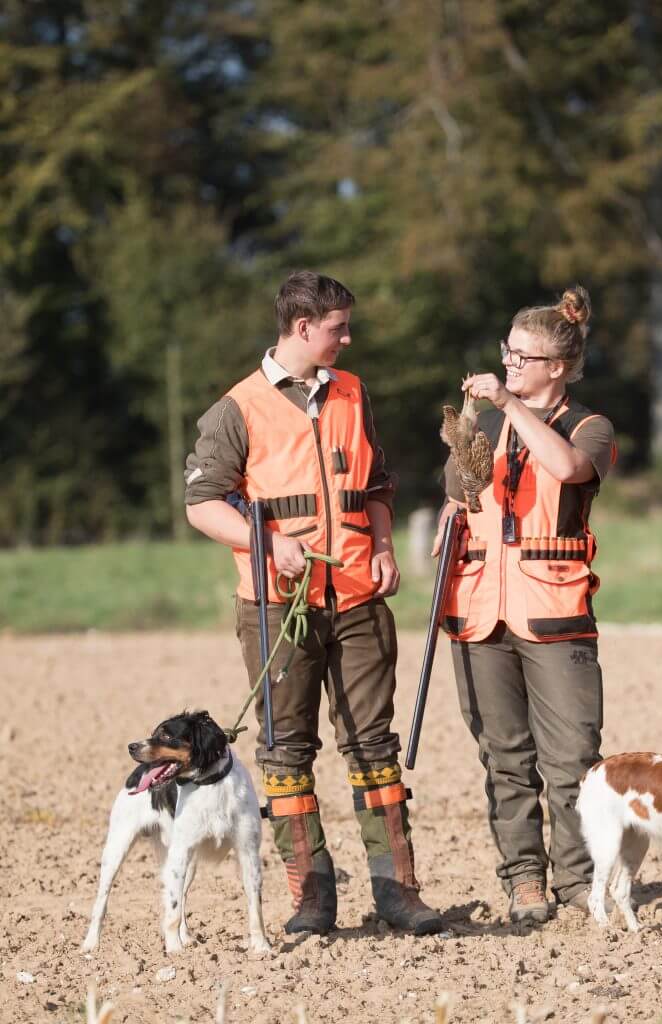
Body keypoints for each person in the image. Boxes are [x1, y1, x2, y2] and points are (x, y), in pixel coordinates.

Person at [184, 270, 442, 936]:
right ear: (303, 328)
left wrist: (383, 547)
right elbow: (202, 505)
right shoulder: (236, 408)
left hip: (358, 596)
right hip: (279, 607)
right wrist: (266, 545)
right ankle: (312, 898)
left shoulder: (353, 393)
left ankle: (397, 891)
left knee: (373, 745)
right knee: (286, 751)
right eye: (338, 328)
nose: (348, 338)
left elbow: (377, 484)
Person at [433, 286, 615, 924]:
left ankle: (578, 881)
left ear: (556, 368)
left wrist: (509, 403)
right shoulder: (483, 424)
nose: (507, 365)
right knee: (505, 759)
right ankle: (524, 881)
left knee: (571, 760)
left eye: (522, 357)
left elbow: (567, 469)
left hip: (553, 611)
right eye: (506, 354)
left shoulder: (589, 427)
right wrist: (450, 508)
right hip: (478, 609)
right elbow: (461, 488)